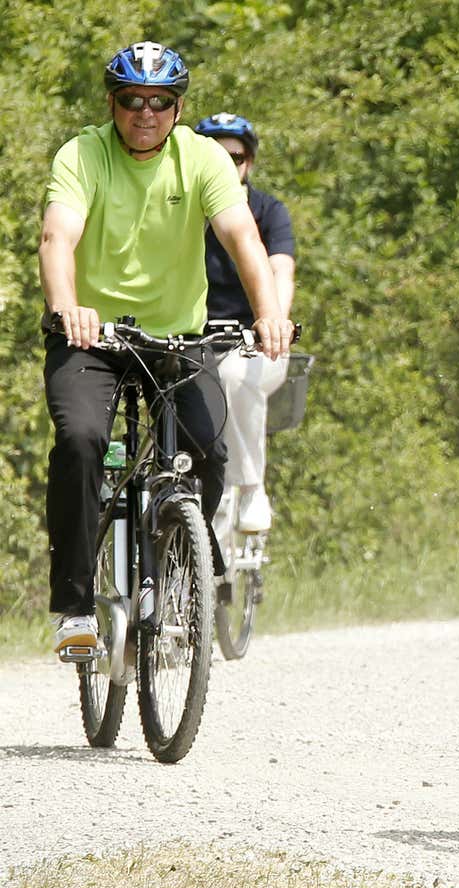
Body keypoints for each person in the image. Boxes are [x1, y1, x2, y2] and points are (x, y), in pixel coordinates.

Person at [40, 42, 294, 654]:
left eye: (160, 102)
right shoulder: (83, 154)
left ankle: (180, 570)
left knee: (208, 451)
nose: (145, 112)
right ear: (113, 103)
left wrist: (269, 314)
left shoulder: (203, 158)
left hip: (177, 339)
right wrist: (68, 307)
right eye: (131, 100)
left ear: (178, 108)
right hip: (92, 336)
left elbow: (242, 236)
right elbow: (57, 237)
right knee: (80, 442)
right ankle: (74, 608)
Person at [194, 112, 297, 535]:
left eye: (234, 157)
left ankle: (252, 487)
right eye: (214, 156)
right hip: (190, 341)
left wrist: (274, 321)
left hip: (252, 341)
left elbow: (281, 273)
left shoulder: (268, 212)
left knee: (235, 374)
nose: (225, 165)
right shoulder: (182, 210)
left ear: (248, 163)